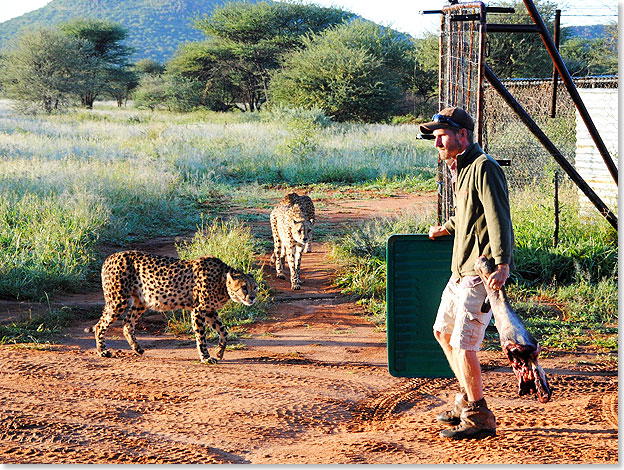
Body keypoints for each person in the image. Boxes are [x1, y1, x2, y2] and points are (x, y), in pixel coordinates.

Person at [419, 107, 514, 440]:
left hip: (480, 271)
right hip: (460, 269)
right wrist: (445, 229)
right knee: (442, 333)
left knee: (464, 344)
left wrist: (502, 263)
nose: (437, 143)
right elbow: (467, 215)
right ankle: (466, 401)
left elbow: (498, 217)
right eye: (435, 136)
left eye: (442, 135)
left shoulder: (484, 168)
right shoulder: (463, 168)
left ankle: (479, 416)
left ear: (462, 134)